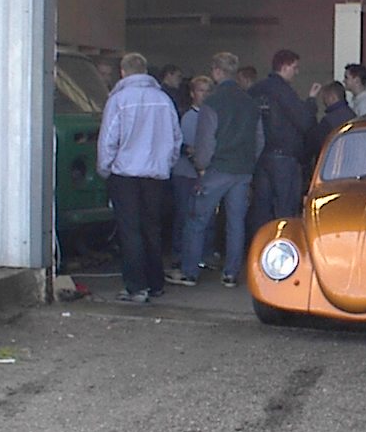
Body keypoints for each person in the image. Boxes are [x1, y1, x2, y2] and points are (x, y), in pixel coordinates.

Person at [165, 52, 262, 288]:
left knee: (197, 220)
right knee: (236, 223)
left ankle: (189, 272)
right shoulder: (250, 102)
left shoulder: (213, 102)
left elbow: (206, 142)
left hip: (217, 169)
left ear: (217, 71)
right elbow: (260, 139)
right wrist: (249, 163)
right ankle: (230, 274)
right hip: (243, 170)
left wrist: (201, 166)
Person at [96, 52, 182, 303]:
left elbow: (109, 139)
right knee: (152, 229)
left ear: (123, 72)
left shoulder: (118, 100)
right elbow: (175, 138)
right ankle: (156, 283)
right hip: (156, 176)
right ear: (145, 71)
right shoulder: (164, 100)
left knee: (130, 230)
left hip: (125, 174)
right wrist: (166, 164)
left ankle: (136, 287)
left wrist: (105, 169)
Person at [247, 49, 321, 233]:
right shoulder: (284, 91)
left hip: (260, 157)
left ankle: (259, 245)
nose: (297, 72)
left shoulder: (256, 90)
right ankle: (283, 244)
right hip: (284, 158)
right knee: (285, 210)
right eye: (295, 67)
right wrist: (311, 101)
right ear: (285, 66)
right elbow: (304, 121)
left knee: (261, 209)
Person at [169, 75, 216, 273]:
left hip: (203, 173)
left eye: (207, 91)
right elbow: (189, 148)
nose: (204, 95)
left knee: (205, 216)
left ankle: (203, 255)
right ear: (192, 93)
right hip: (186, 174)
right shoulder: (189, 117)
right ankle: (179, 254)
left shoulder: (211, 116)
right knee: (184, 215)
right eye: (200, 90)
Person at [304, 81, 355, 166]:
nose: (323, 101)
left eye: (325, 98)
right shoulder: (353, 116)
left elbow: (314, 144)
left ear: (332, 97)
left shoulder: (328, 121)